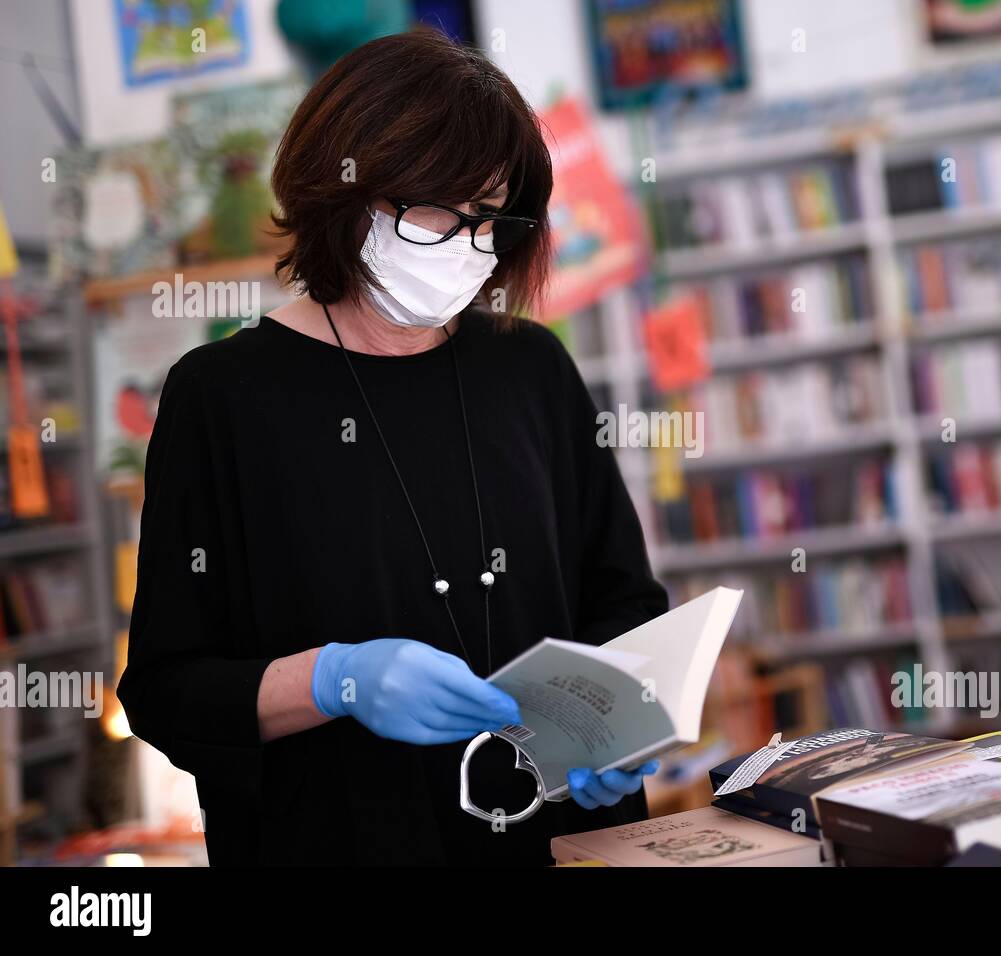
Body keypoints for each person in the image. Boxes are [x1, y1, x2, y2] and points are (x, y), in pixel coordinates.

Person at [118, 29, 667, 866]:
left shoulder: (530, 368)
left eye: (492, 219)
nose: (470, 246)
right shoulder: (222, 398)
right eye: (440, 210)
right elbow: (169, 691)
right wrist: (333, 679)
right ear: (341, 188)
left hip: (559, 845)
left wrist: (615, 725)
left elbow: (623, 599)